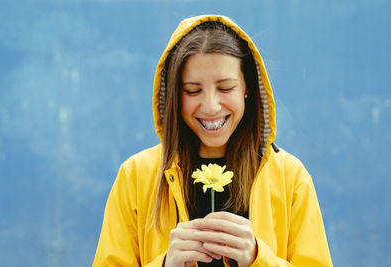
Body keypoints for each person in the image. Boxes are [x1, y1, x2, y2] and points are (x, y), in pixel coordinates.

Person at [93, 15, 333, 267]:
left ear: (247, 87)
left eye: (226, 87)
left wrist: (257, 258)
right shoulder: (135, 177)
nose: (210, 107)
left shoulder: (290, 177)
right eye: (192, 91)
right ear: (175, 94)